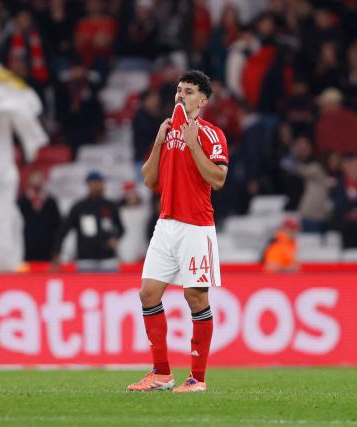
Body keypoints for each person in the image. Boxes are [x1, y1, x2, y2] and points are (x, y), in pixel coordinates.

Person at [126, 70, 228, 393]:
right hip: (166, 222)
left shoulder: (212, 135)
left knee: (195, 297)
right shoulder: (168, 132)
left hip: (196, 225)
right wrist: (158, 143)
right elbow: (149, 179)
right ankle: (161, 373)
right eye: (179, 90)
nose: (180, 95)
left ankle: (197, 378)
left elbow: (218, 179)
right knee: (148, 293)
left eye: (188, 91)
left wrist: (193, 143)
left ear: (203, 100)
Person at [51, 171, 123, 272]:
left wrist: (115, 238)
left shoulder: (110, 206)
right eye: (96, 182)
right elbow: (63, 231)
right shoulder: (79, 207)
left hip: (107, 258)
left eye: (101, 182)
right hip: (86, 259)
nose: (99, 185)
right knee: (87, 287)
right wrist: (56, 252)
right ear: (88, 184)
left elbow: (121, 228)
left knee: (110, 287)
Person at [17, 169, 61, 262]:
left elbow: (57, 226)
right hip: (26, 249)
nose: (36, 181)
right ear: (29, 181)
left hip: (47, 248)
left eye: (39, 178)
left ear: (43, 181)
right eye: (34, 178)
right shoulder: (21, 202)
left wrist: (56, 250)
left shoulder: (51, 202)